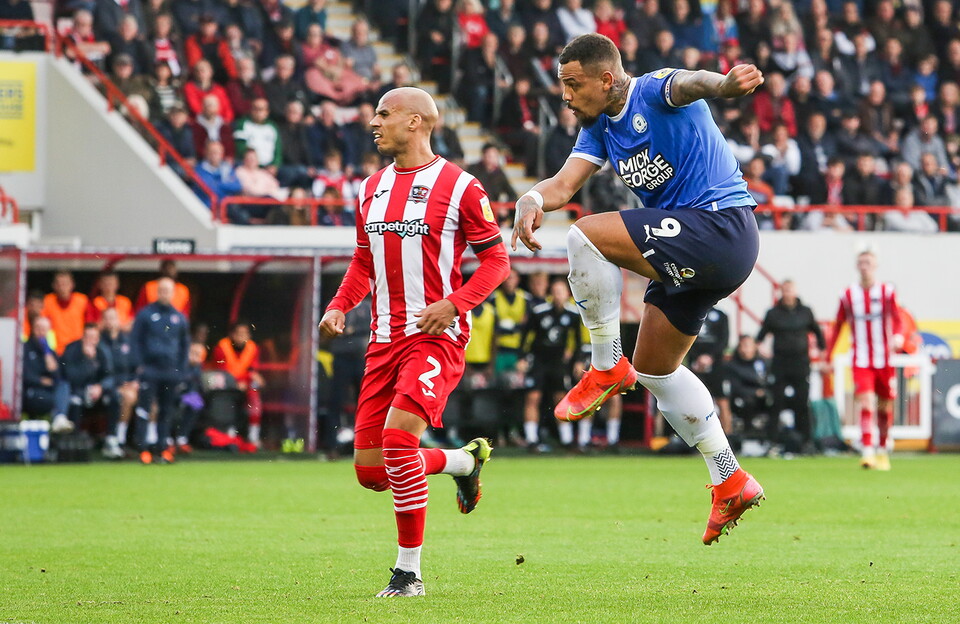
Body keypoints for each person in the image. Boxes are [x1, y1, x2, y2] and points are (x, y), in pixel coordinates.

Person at [512, 33, 764, 545]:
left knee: (586, 235)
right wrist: (531, 197)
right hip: (692, 248)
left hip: (720, 227)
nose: (565, 95)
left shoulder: (652, 89)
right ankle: (728, 477)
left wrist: (725, 84)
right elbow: (563, 185)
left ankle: (605, 365)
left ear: (607, 79)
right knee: (654, 369)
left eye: (573, 84)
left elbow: (693, 83)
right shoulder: (600, 127)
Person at [318, 86, 510, 597]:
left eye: (384, 113)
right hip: (382, 340)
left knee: (401, 443)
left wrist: (455, 304)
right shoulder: (369, 187)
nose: (373, 122)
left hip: (435, 335)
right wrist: (340, 305)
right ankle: (464, 461)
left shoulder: (463, 187)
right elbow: (364, 261)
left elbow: (497, 260)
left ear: (417, 122)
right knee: (372, 473)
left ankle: (408, 574)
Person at [825, 249, 902, 471]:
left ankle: (883, 449)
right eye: (861, 262)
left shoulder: (887, 291)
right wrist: (829, 355)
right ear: (857, 266)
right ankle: (868, 451)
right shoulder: (848, 295)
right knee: (866, 402)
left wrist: (897, 337)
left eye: (868, 262)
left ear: (875, 265)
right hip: (861, 359)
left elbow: (897, 319)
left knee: (885, 407)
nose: (864, 266)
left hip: (885, 359)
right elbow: (838, 325)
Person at [756, 280, 825, 452]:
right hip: (780, 363)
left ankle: (806, 441)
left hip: (800, 363)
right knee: (776, 402)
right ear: (781, 292)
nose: (787, 294)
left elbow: (818, 333)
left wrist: (822, 353)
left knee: (802, 402)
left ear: (795, 292)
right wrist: (763, 351)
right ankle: (772, 442)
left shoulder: (805, 312)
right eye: (784, 290)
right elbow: (760, 337)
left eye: (790, 290)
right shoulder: (772, 313)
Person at [131, 277, 191, 464]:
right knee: (145, 409)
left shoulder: (179, 317)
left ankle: (162, 448)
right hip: (150, 370)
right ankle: (143, 448)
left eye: (168, 290)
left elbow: (184, 346)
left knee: (167, 411)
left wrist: (181, 370)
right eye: (162, 290)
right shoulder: (145, 314)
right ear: (157, 292)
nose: (165, 293)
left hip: (171, 372)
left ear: (173, 293)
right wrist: (139, 365)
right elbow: (135, 341)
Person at [521, 279, 582, 452]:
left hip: (558, 362)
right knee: (533, 397)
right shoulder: (539, 312)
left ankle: (567, 439)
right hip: (539, 360)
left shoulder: (573, 314)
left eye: (561, 291)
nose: (558, 295)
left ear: (568, 294)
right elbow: (525, 336)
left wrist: (577, 360)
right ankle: (531, 439)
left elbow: (577, 341)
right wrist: (522, 357)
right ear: (550, 294)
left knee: (561, 398)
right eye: (555, 291)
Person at [211, 322, 264, 448]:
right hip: (225, 384)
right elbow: (220, 370)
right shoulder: (221, 347)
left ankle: (253, 435)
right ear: (232, 335)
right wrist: (235, 383)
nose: (242, 337)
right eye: (239, 334)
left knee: (254, 395)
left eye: (245, 334)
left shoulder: (253, 348)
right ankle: (228, 432)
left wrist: (250, 380)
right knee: (226, 398)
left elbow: (252, 370)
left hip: (245, 384)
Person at [60, 323, 114, 432]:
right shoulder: (72, 350)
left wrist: (101, 386)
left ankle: (110, 437)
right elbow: (72, 377)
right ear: (83, 337)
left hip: (97, 391)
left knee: (115, 398)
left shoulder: (103, 350)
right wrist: (88, 361)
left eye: (94, 338)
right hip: (76, 390)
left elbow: (110, 375)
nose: (91, 341)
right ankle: (75, 438)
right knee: (76, 400)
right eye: (88, 337)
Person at [99, 307, 138, 458]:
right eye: (107, 318)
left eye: (113, 318)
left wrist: (135, 381)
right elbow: (103, 371)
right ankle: (119, 440)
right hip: (110, 386)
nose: (110, 322)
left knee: (152, 399)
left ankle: (150, 440)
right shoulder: (100, 342)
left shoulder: (128, 341)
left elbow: (136, 365)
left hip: (130, 384)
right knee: (128, 398)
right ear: (102, 321)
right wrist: (122, 383)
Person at [22, 316, 72, 432]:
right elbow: (24, 375)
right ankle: (59, 418)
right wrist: (40, 381)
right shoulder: (25, 348)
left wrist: (54, 369)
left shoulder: (50, 352)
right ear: (32, 329)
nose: (41, 332)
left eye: (44, 329)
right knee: (56, 400)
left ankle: (59, 419)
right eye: (38, 328)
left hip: (48, 389)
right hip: (32, 391)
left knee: (64, 385)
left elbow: (58, 379)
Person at [43, 271, 90, 356]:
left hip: (77, 350)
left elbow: (90, 325)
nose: (62, 287)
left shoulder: (82, 301)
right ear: (54, 286)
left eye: (65, 283)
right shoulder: (47, 302)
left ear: (72, 284)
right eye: (59, 284)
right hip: (55, 351)